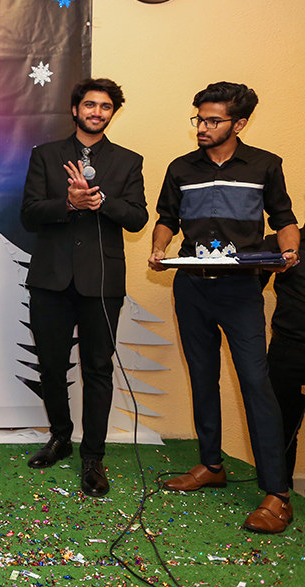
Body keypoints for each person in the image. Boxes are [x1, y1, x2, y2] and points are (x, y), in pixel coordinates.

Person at [149, 82, 298, 534]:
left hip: (241, 291)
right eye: (199, 118)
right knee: (202, 376)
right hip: (191, 288)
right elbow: (166, 220)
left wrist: (289, 253)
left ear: (239, 124)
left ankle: (277, 494)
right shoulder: (180, 168)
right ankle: (211, 465)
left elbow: (284, 220)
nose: (203, 127)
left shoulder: (265, 165)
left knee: (255, 382)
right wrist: (158, 249)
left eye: (213, 120)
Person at [20, 78, 148, 497]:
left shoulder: (128, 161)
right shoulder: (46, 155)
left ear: (113, 113)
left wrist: (101, 201)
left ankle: (93, 456)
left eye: (105, 106)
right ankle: (60, 437)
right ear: (75, 109)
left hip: (102, 283)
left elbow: (137, 218)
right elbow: (29, 214)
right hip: (51, 280)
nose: (97, 112)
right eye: (90, 104)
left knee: (98, 369)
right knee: (51, 365)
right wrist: (68, 204)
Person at [262, 226, 305, 490]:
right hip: (287, 352)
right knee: (280, 432)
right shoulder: (281, 245)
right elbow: (246, 291)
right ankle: (279, 496)